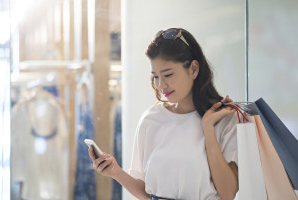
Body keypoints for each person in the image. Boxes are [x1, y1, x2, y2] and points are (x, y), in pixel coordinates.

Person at [88, 28, 239, 200]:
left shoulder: (225, 119)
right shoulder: (151, 119)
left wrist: (208, 129)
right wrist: (115, 172)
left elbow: (228, 194)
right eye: (155, 77)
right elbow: (147, 192)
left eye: (168, 74)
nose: (161, 85)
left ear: (194, 69)